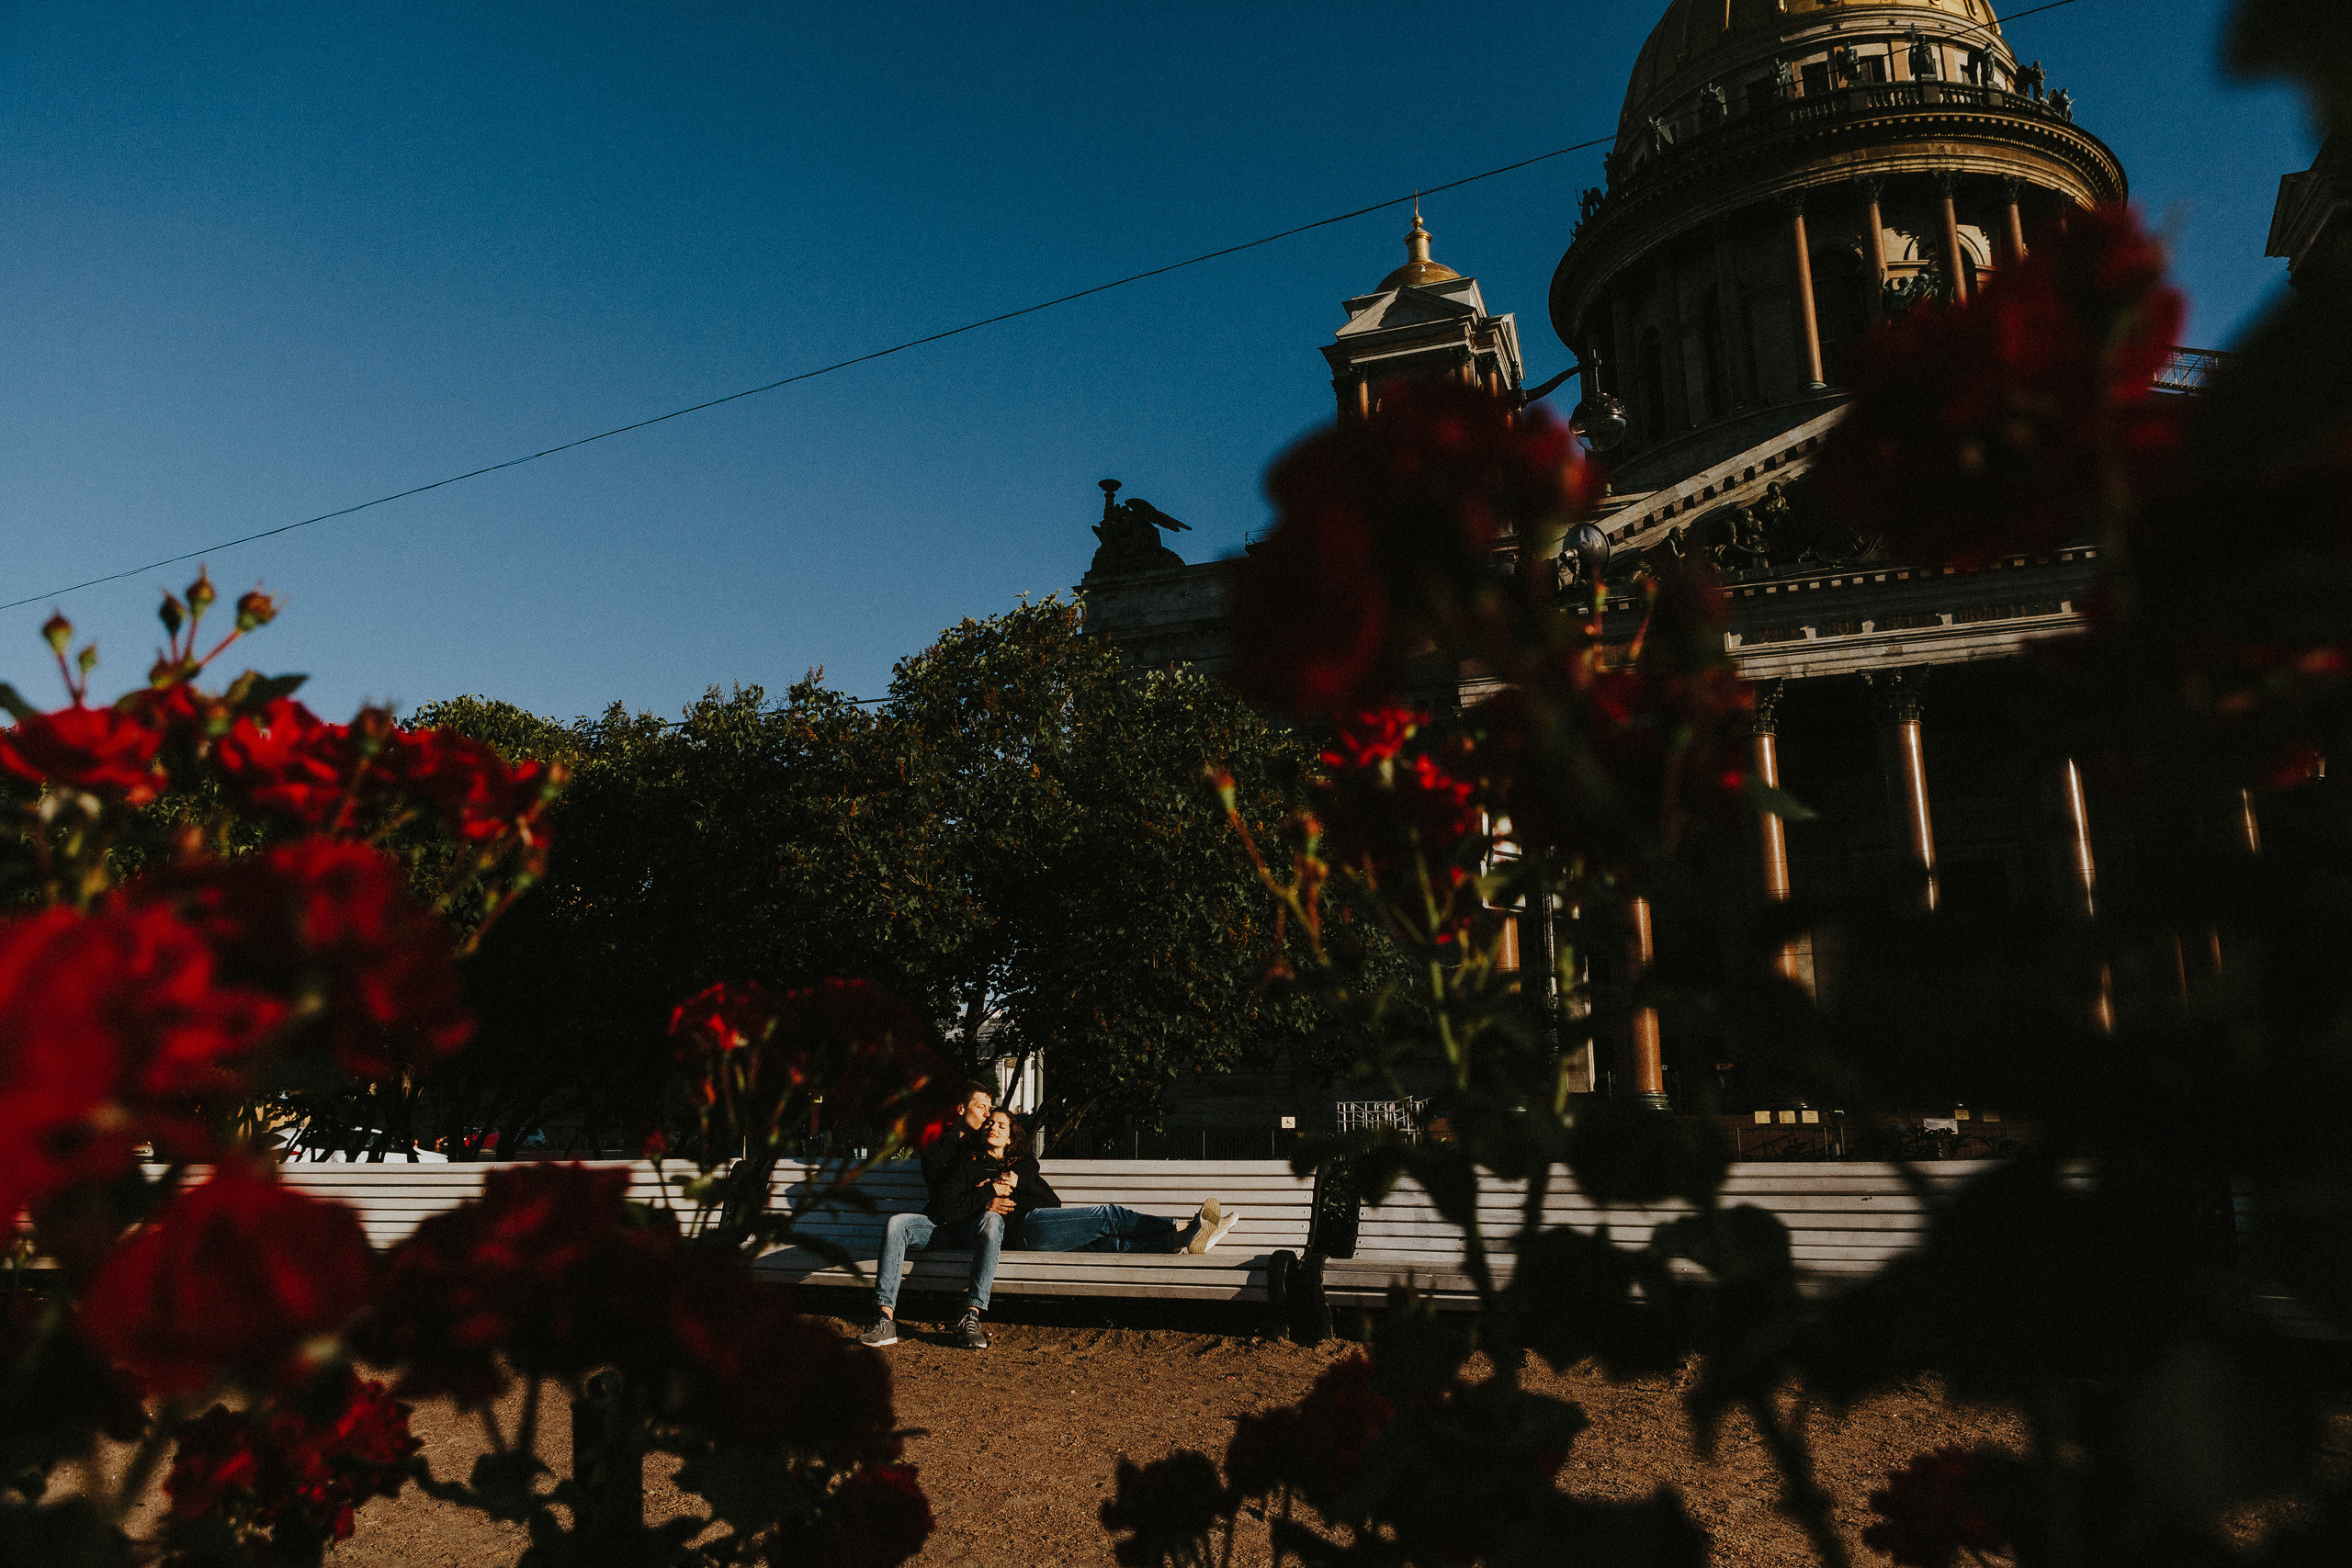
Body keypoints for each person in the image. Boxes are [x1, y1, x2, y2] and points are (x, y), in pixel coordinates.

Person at [860, 1082, 1004, 1351]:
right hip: (937, 1226)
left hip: (971, 1228)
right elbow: (944, 1202)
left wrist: (982, 1192)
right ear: (962, 1109)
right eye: (981, 1107)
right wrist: (985, 1193)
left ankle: (971, 1317)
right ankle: (885, 1320)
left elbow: (1016, 1169)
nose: (988, 1116)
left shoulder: (988, 1144)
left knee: (994, 1221)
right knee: (897, 1223)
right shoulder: (936, 1145)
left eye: (990, 1109)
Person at [981, 1111, 1242, 1254]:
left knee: (1112, 1244)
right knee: (1109, 1215)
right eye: (989, 1123)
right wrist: (989, 1195)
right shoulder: (976, 1165)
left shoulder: (1021, 1166)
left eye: (1001, 1126)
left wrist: (1019, 1181)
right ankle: (1187, 1226)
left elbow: (1052, 1202)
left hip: (1041, 1226)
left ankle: (1185, 1240)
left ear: (1010, 1138)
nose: (992, 1127)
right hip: (1024, 1229)